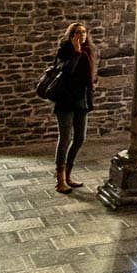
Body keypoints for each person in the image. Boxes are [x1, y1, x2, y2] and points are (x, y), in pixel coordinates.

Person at [50, 20, 97, 194]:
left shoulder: (88, 51)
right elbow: (66, 71)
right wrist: (76, 53)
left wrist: (93, 85)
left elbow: (90, 75)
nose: (81, 35)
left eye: (84, 32)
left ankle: (68, 175)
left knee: (79, 138)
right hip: (66, 99)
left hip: (82, 99)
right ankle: (60, 179)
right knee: (65, 138)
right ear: (71, 35)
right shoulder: (65, 51)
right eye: (78, 32)